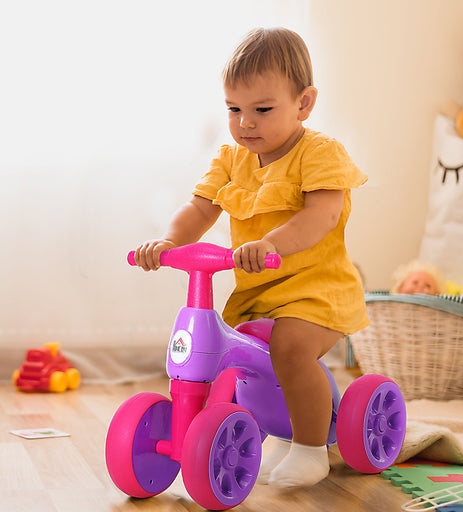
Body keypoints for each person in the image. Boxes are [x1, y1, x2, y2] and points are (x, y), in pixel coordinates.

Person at [134, 27, 368, 489]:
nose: (246, 123)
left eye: (262, 109)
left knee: (289, 348)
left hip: (315, 292)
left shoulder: (319, 153)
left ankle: (309, 448)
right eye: (234, 109)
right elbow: (200, 207)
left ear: (303, 104)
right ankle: (246, 428)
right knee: (227, 350)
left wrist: (273, 244)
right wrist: (168, 243)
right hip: (258, 296)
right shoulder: (231, 158)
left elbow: (322, 214)